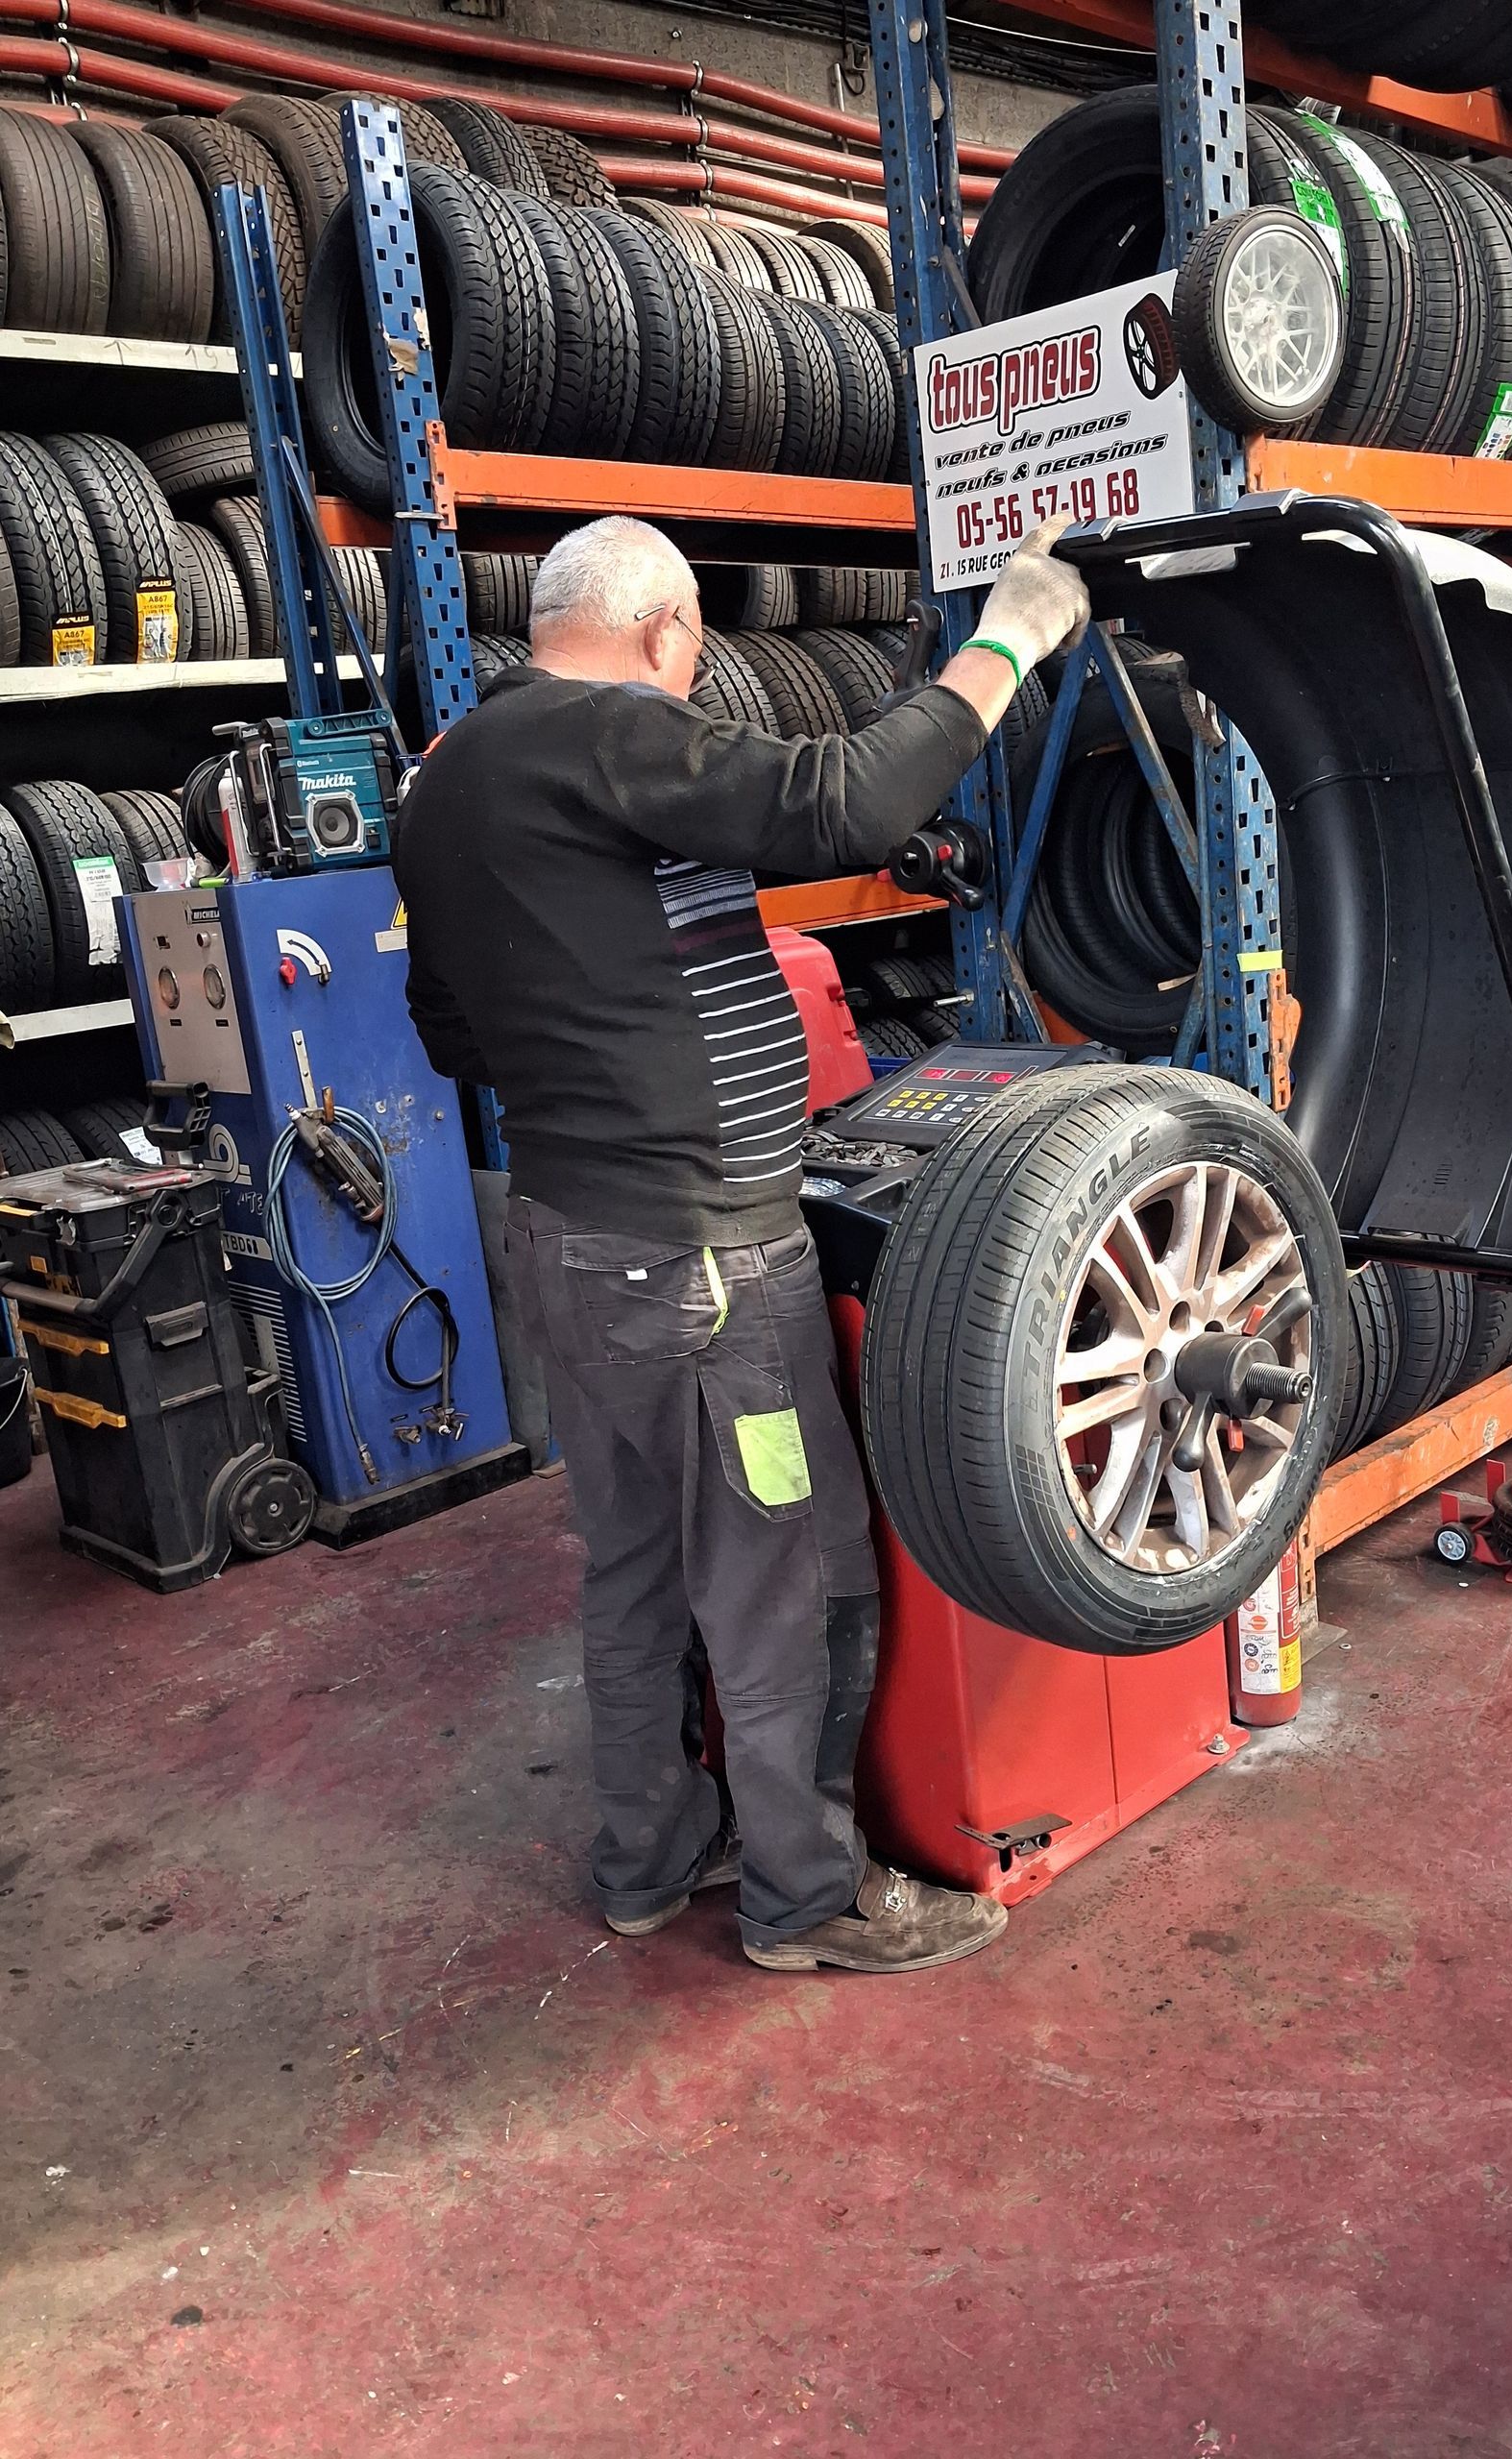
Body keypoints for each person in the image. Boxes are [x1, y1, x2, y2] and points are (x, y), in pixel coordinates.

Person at [393, 513, 1089, 1975]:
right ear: (664, 633)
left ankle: (649, 1859)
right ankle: (806, 1897)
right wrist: (1007, 640)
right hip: (704, 1269)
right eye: (692, 657)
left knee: (635, 1569)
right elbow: (837, 806)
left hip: (572, 1249)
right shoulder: (604, 737)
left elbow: (448, 1027)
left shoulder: (443, 784)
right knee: (792, 1578)